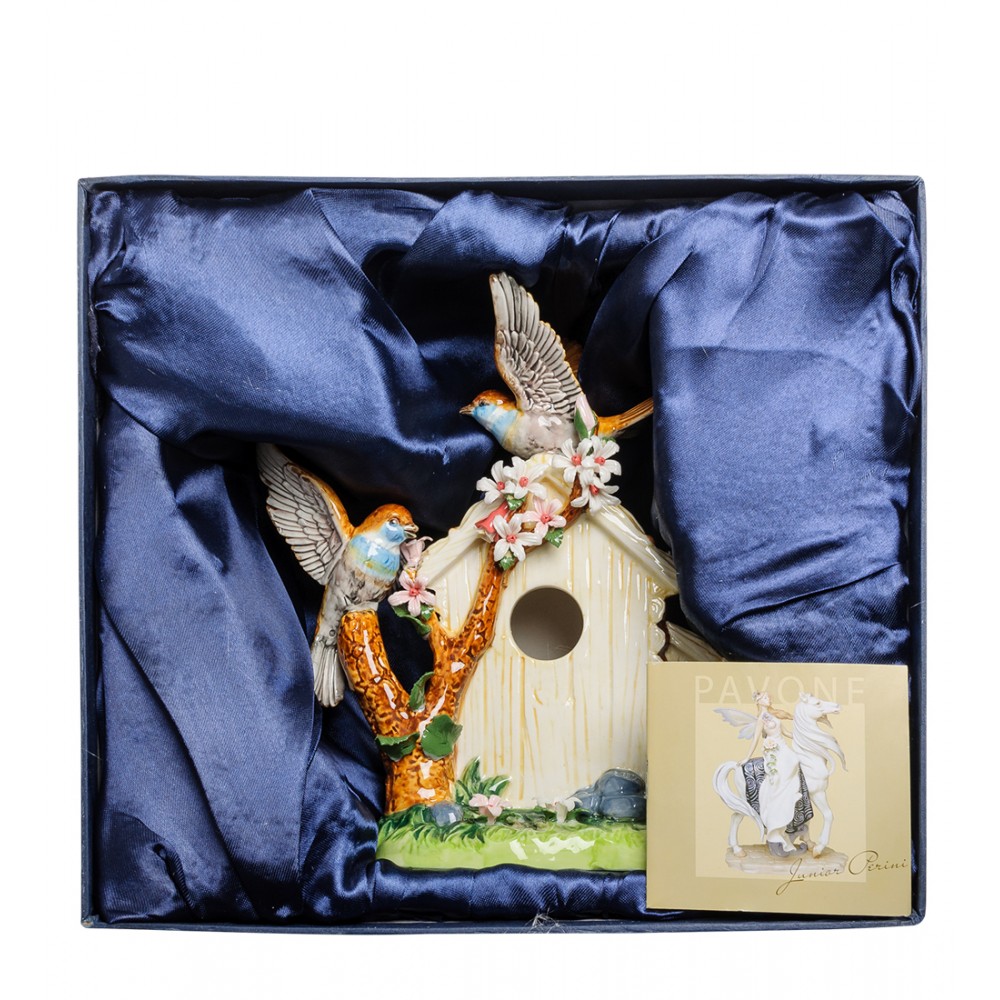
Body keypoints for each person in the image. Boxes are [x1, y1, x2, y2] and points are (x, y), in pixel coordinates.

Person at [741, 692, 810, 857]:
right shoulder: (761, 719)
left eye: (769, 697)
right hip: (773, 751)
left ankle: (789, 793)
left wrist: (802, 736)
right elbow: (755, 739)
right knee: (786, 768)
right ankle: (780, 797)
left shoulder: (773, 715)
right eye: (765, 697)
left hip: (783, 747)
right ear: (759, 701)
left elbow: (786, 732)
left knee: (795, 759)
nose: (769, 699)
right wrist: (747, 757)